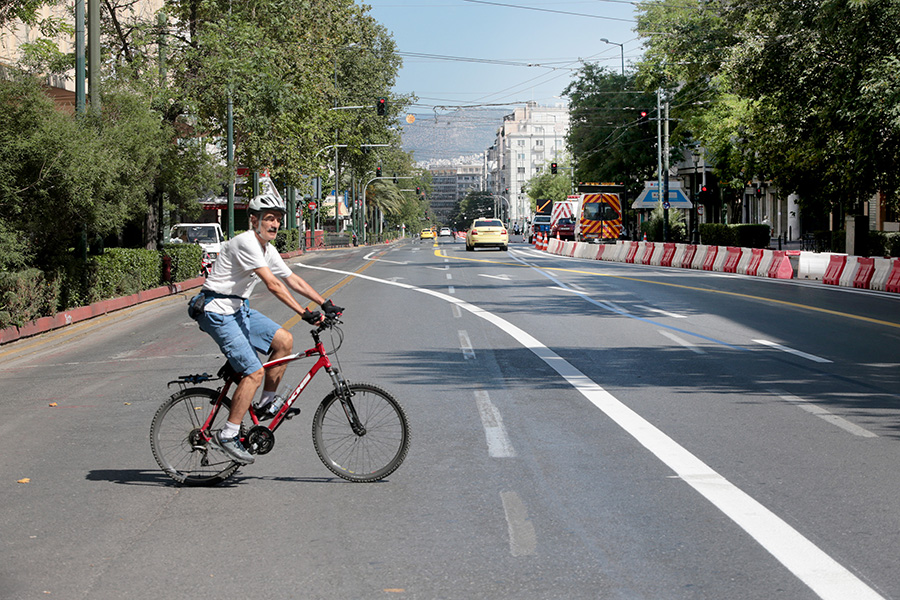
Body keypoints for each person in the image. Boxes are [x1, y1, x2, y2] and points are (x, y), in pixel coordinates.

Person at [194, 193, 343, 464]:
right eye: (269, 219)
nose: (274, 224)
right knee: (253, 372)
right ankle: (228, 434)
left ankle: (265, 403)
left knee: (284, 341)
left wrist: (325, 302)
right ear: (255, 220)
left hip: (239, 308)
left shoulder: (266, 248)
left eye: (278, 220)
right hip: (216, 311)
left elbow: (291, 278)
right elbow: (274, 285)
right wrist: (305, 313)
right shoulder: (246, 242)